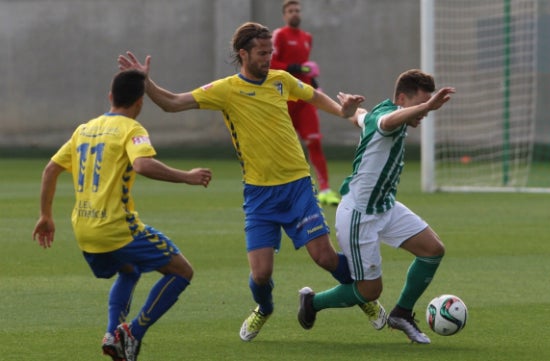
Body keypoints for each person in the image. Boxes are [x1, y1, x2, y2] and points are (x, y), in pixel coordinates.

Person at [116, 21, 386, 342]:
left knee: (325, 257)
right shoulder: (226, 90)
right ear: (243, 53)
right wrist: (146, 82)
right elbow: (172, 103)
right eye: (261, 52)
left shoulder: (281, 80)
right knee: (261, 274)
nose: (268, 58)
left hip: (297, 185)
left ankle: (362, 296)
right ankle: (263, 308)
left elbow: (316, 97)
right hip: (259, 195)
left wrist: (344, 111)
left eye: (270, 51)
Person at [32, 69, 212, 361]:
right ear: (140, 103)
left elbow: (50, 169)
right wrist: (187, 176)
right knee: (182, 272)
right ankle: (131, 332)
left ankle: (111, 333)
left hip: (84, 230)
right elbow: (143, 165)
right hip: (118, 229)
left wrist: (45, 216)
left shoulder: (84, 129)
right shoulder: (132, 129)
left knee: (129, 269)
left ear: (110, 97)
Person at [297, 69, 455, 344]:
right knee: (370, 291)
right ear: (402, 99)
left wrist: (350, 111)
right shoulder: (388, 118)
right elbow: (386, 121)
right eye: (419, 105)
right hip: (361, 215)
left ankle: (402, 313)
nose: (424, 112)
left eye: (426, 106)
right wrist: (427, 106)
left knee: (433, 251)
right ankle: (312, 302)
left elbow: (361, 117)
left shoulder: (378, 112)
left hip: (385, 207)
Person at [271, 0, 340, 206]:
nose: (295, 14)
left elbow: (305, 70)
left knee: (314, 142)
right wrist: (298, 68)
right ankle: (279, 189)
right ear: (284, 15)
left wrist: (315, 83)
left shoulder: (307, 38)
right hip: (286, 98)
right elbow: (273, 64)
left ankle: (325, 190)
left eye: (297, 10)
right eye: (291, 11)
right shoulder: (279, 35)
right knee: (283, 145)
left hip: (305, 99)